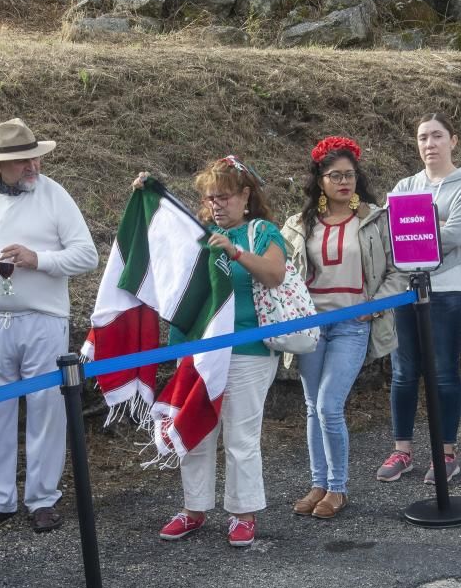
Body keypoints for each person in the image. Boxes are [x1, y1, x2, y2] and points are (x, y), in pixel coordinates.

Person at [137, 156, 287, 547]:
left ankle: (243, 513)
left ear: (245, 196)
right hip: (201, 351)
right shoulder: (199, 235)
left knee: (240, 435)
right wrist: (148, 195)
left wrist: (235, 253)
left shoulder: (261, 231)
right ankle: (193, 509)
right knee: (197, 430)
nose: (216, 204)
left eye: (224, 196)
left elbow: (275, 274)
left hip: (249, 348)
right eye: (209, 198)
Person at [0, 118, 98, 532]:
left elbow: (86, 256)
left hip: (44, 319)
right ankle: (0, 497)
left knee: (46, 408)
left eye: (35, 158)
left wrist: (37, 259)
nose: (33, 167)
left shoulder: (54, 195)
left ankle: (42, 498)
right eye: (23, 161)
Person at [282, 136, 405, 519]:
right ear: (319, 180)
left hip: (353, 323)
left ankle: (338, 489)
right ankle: (318, 484)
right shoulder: (298, 225)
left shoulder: (374, 219)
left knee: (328, 406)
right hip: (311, 328)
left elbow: (398, 270)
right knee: (310, 408)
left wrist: (377, 303)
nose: (343, 182)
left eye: (349, 175)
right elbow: (283, 274)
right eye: (334, 175)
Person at [376, 113, 461, 484]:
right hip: (406, 291)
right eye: (422, 138)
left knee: (443, 373)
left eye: (437, 136)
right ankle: (402, 451)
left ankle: (446, 455)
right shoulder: (405, 186)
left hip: (449, 291)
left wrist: (414, 229)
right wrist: (414, 231)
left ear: (453, 140)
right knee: (403, 374)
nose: (429, 144)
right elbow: (388, 235)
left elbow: (454, 235)